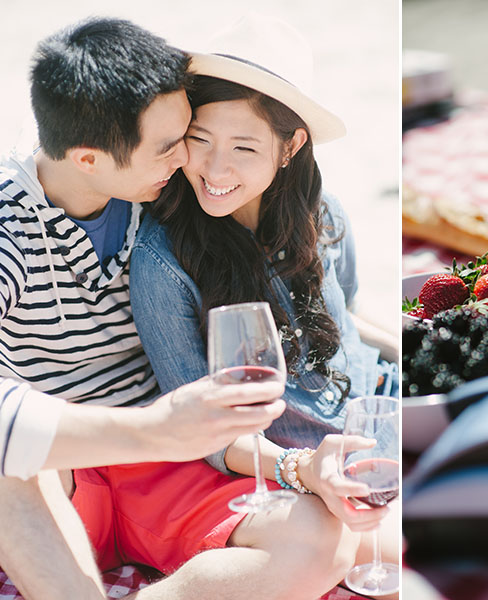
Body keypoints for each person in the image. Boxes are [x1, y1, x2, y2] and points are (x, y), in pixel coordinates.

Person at [0, 18, 287, 600]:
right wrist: (152, 430)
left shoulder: (159, 194)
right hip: (67, 473)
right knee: (8, 462)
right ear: (87, 159)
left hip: (163, 474)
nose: (190, 158)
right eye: (167, 146)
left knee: (316, 539)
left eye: (186, 132)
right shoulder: (10, 227)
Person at [127, 15, 400, 599]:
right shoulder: (163, 261)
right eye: (199, 141)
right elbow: (201, 431)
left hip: (382, 415)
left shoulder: (323, 212)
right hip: (299, 462)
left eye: (244, 147)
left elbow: (348, 320)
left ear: (290, 145)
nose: (215, 170)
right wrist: (298, 470)